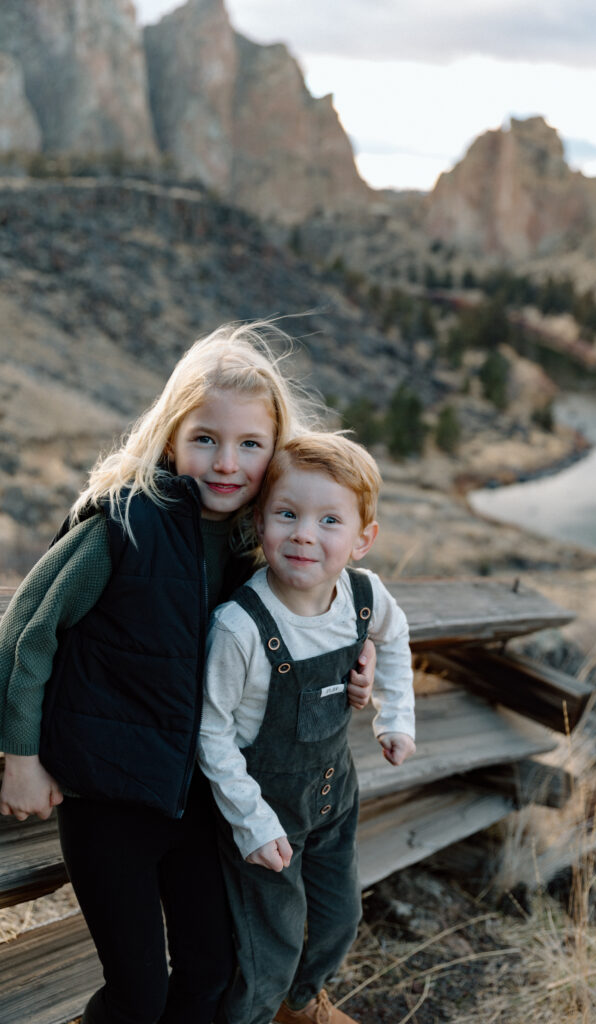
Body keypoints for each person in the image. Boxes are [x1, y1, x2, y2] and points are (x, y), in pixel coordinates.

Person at [0, 323, 376, 1024]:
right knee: (138, 993)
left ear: (274, 451)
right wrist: (20, 756)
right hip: (109, 801)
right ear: (171, 436)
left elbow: (323, 593)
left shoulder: (259, 538)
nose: (226, 462)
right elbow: (26, 633)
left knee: (212, 970)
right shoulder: (124, 525)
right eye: (205, 439)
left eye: (249, 445)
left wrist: (360, 651)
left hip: (201, 803)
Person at [199, 432, 416, 1024]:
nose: (303, 534)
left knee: (338, 917)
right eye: (287, 514)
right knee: (268, 944)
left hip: (333, 799)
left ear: (362, 540)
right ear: (259, 520)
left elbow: (393, 643)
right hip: (263, 814)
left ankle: (301, 1005)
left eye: (329, 521)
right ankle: (256, 1014)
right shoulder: (240, 628)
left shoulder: (364, 598)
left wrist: (393, 716)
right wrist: (253, 821)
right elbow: (212, 734)